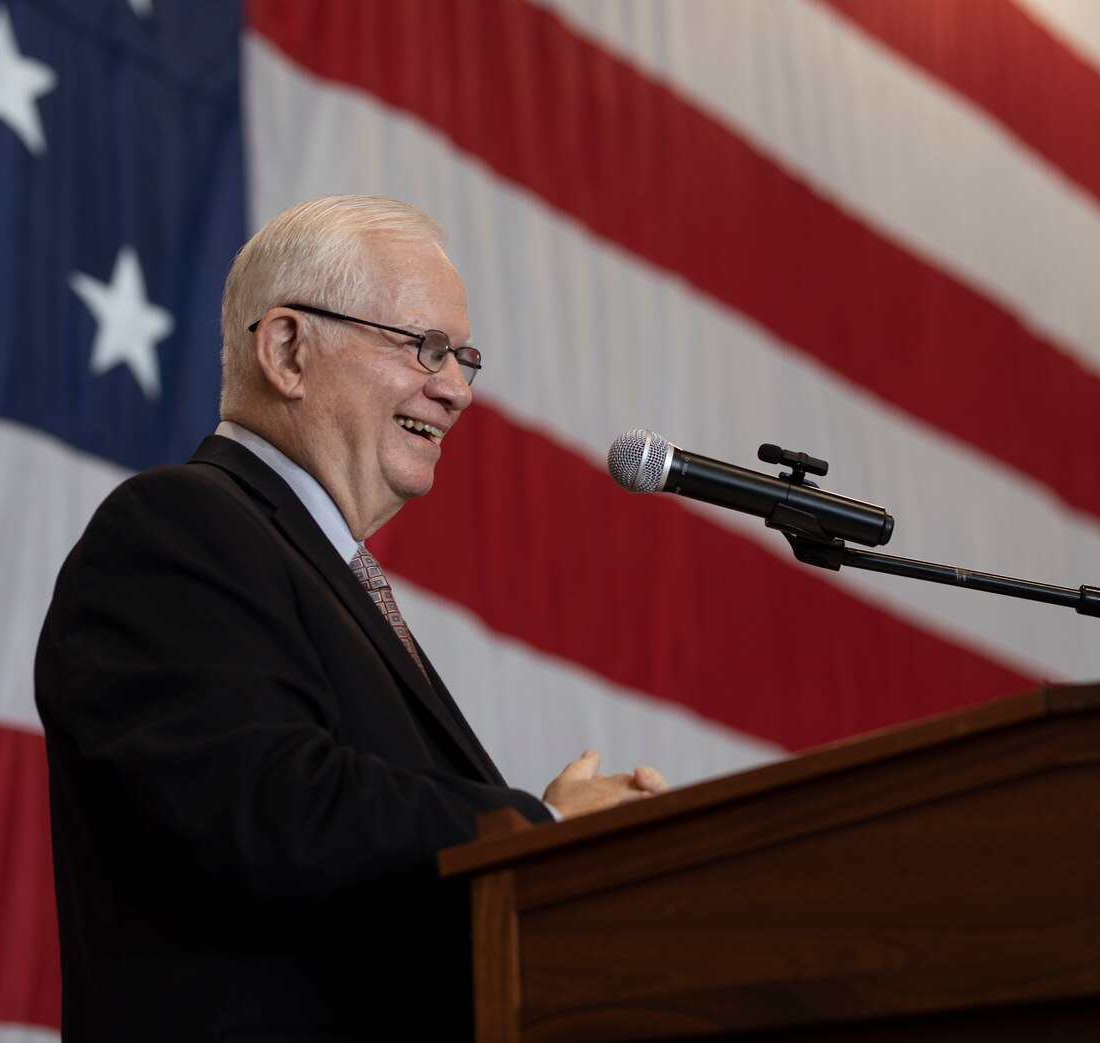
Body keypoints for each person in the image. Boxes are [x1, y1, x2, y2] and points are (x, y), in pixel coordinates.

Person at [34, 195, 668, 1042]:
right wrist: (541, 830)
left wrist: (543, 855)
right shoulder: (175, 528)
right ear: (289, 350)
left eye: (463, 357)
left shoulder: (318, 571)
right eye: (425, 347)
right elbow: (277, 808)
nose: (456, 392)